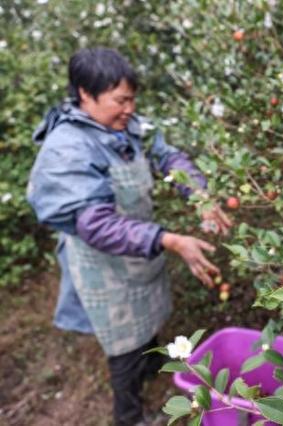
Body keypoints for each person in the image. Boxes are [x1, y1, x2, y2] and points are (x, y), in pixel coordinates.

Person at [26, 47, 232, 426]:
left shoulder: (128, 125)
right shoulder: (68, 147)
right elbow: (97, 224)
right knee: (122, 345)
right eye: (121, 100)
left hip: (142, 248)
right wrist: (170, 240)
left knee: (150, 315)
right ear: (86, 95)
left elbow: (168, 156)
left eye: (133, 99)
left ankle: (152, 362)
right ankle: (129, 414)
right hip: (104, 267)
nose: (130, 109)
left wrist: (198, 194)